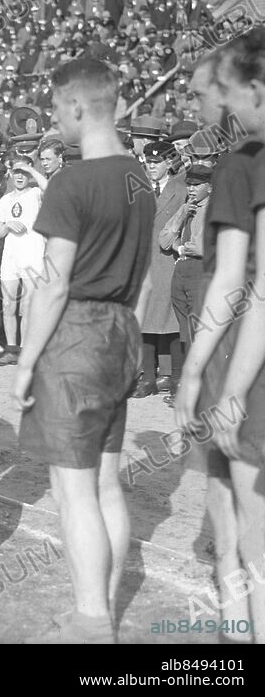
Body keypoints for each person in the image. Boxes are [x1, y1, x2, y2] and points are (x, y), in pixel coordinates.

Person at [11, 58, 155, 643]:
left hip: (76, 334)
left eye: (53, 108)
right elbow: (144, 277)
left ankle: (92, 624)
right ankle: (101, 611)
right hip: (123, 328)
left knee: (74, 491)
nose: (53, 119)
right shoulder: (139, 178)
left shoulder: (72, 180)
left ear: (74, 107)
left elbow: (53, 283)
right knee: (105, 485)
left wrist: (24, 362)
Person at [175, 39, 265, 644]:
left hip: (240, 344)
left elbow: (239, 281)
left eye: (221, 93)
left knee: (245, 508)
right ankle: (238, 628)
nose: (220, 106)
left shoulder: (242, 163)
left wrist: (205, 377)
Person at [135, 138, 185, 398]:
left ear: (169, 162)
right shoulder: (137, 187)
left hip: (168, 260)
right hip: (143, 262)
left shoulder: (182, 188)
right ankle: (147, 377)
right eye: (148, 162)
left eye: (157, 162)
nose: (151, 166)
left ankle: (173, 376)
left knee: (170, 318)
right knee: (144, 317)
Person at [159, 163, 212, 408]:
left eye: (197, 185)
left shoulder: (212, 209)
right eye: (189, 184)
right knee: (184, 331)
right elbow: (164, 238)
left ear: (209, 187)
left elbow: (201, 247)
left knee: (196, 331)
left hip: (200, 272)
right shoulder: (187, 208)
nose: (191, 189)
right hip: (181, 271)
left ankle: (195, 392)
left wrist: (181, 246)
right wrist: (181, 214)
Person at [0, 157, 48, 366]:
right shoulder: (5, 199)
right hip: (11, 257)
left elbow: (50, 189)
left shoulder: (36, 193)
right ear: (10, 174)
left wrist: (31, 170)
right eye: (16, 172)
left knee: (27, 305)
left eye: (23, 173)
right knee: (8, 304)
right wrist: (7, 225)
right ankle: (11, 349)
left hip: (33, 255)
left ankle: (25, 349)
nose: (20, 176)